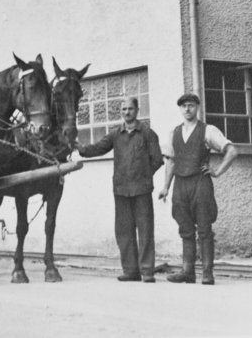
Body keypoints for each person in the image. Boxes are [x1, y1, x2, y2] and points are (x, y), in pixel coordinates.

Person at [77, 97, 163, 283]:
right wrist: (81, 149)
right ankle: (131, 271)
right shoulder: (116, 134)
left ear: (137, 110)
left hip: (142, 190)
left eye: (130, 109)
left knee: (145, 231)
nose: (127, 112)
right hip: (121, 190)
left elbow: (157, 160)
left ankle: (147, 271)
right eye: (123, 109)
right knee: (124, 231)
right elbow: (99, 148)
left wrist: (144, 175)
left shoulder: (148, 134)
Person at [158, 93, 238, 285]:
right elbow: (170, 162)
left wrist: (217, 171)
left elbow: (232, 151)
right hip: (180, 185)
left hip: (200, 184)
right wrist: (165, 187)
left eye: (191, 105)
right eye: (184, 106)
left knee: (204, 229)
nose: (187, 109)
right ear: (180, 109)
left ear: (197, 108)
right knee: (185, 228)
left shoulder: (207, 130)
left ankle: (207, 273)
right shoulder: (174, 132)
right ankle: (188, 272)